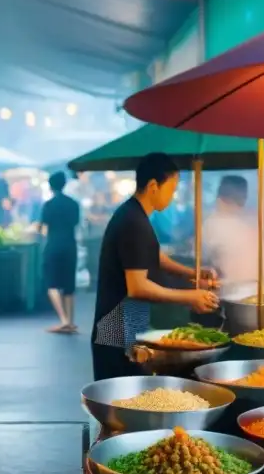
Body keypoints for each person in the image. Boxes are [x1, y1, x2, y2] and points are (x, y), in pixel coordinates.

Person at [91, 153, 219, 381]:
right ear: (152, 186)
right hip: (117, 328)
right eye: (171, 189)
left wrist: (193, 274)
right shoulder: (133, 222)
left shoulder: (134, 215)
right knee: (120, 402)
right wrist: (190, 297)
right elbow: (137, 287)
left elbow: (154, 256)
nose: (173, 196)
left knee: (132, 397)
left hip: (127, 321)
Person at [40, 171, 81, 334]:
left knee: (51, 284)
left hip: (53, 246)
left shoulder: (48, 205)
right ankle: (70, 321)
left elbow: (43, 227)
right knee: (69, 284)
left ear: (50, 186)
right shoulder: (74, 204)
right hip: (70, 246)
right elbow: (76, 223)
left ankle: (63, 320)